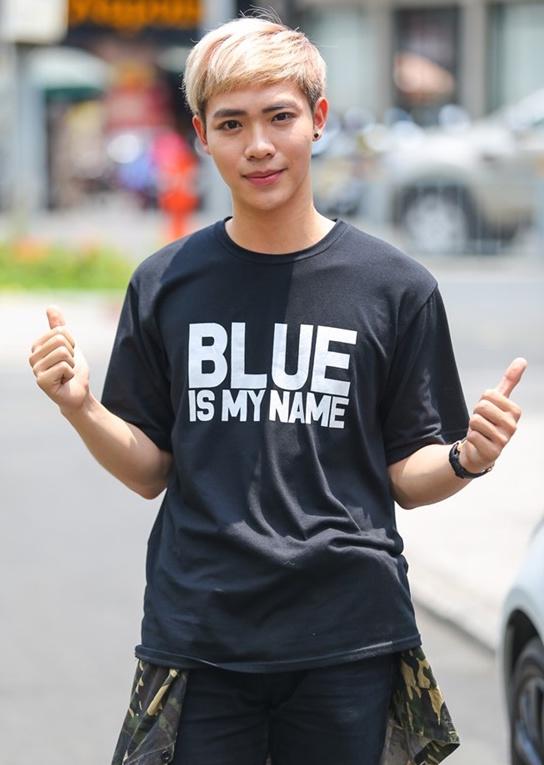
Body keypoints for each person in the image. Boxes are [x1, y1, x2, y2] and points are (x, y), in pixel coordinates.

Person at [27, 13, 527, 765]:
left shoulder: (395, 287)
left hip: (349, 633)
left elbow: (406, 475)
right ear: (202, 135)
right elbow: (149, 468)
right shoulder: (166, 283)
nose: (258, 145)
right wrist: (80, 408)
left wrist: (467, 457)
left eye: (279, 117)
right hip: (201, 632)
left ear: (318, 119)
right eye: (232, 123)